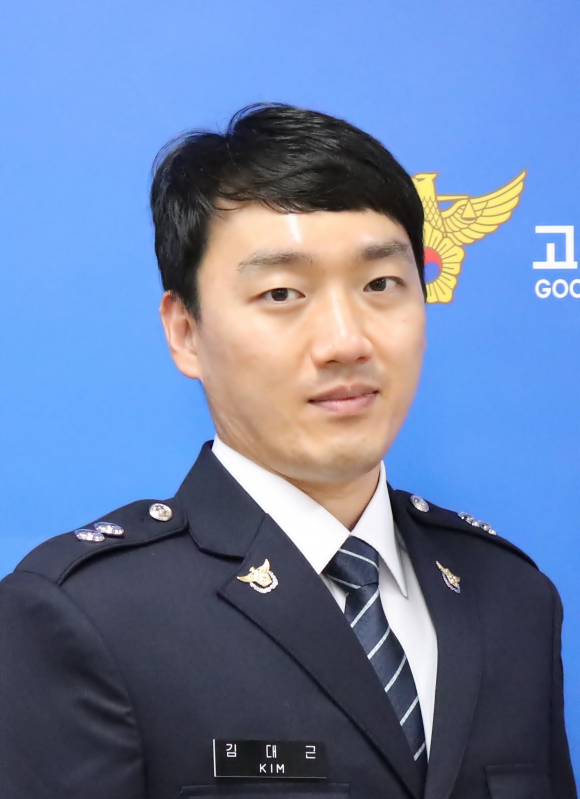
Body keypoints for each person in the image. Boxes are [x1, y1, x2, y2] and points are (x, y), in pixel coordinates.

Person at [0, 103, 576, 799]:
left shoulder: (512, 596)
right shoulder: (91, 615)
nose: (345, 341)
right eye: (282, 293)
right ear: (185, 332)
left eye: (380, 285)